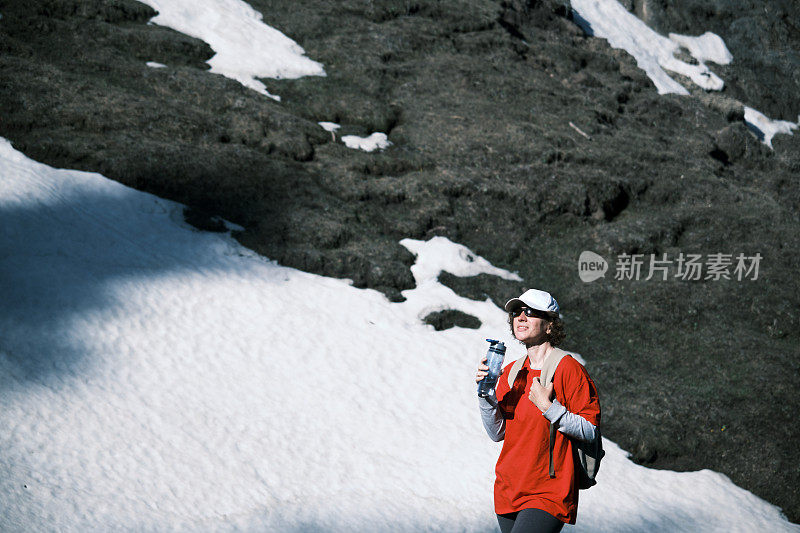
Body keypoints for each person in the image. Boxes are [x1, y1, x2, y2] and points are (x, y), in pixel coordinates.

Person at [475, 289, 600, 533]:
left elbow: (590, 430)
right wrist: (485, 394)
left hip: (548, 492)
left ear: (550, 325)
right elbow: (497, 433)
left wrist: (550, 408)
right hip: (508, 489)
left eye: (530, 312)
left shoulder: (569, 370)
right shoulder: (512, 371)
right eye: (516, 312)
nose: (521, 317)